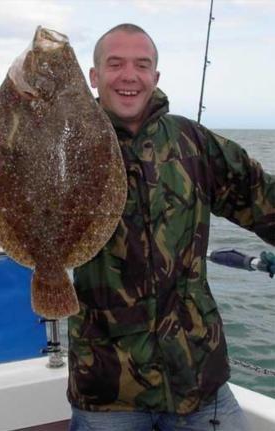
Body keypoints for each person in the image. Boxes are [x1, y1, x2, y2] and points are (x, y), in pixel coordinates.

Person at [67, 23, 275, 431]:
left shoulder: (192, 142)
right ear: (93, 76)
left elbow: (260, 197)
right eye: (115, 64)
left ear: (155, 77)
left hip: (197, 379)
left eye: (141, 65)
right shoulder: (68, 149)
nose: (130, 75)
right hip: (107, 389)